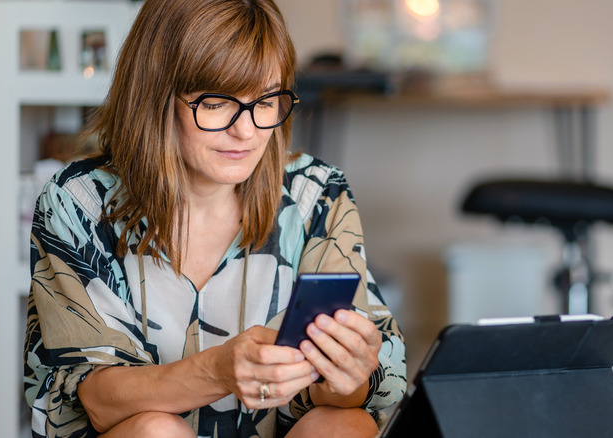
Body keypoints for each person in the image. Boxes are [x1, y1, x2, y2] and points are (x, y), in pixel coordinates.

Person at [22, 0, 406, 437]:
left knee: (342, 424)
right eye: (218, 102)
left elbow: (353, 398)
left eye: (266, 100)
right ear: (156, 95)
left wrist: (346, 377)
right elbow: (96, 399)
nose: (247, 130)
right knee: (154, 431)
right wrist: (218, 372)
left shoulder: (315, 194)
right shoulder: (80, 202)